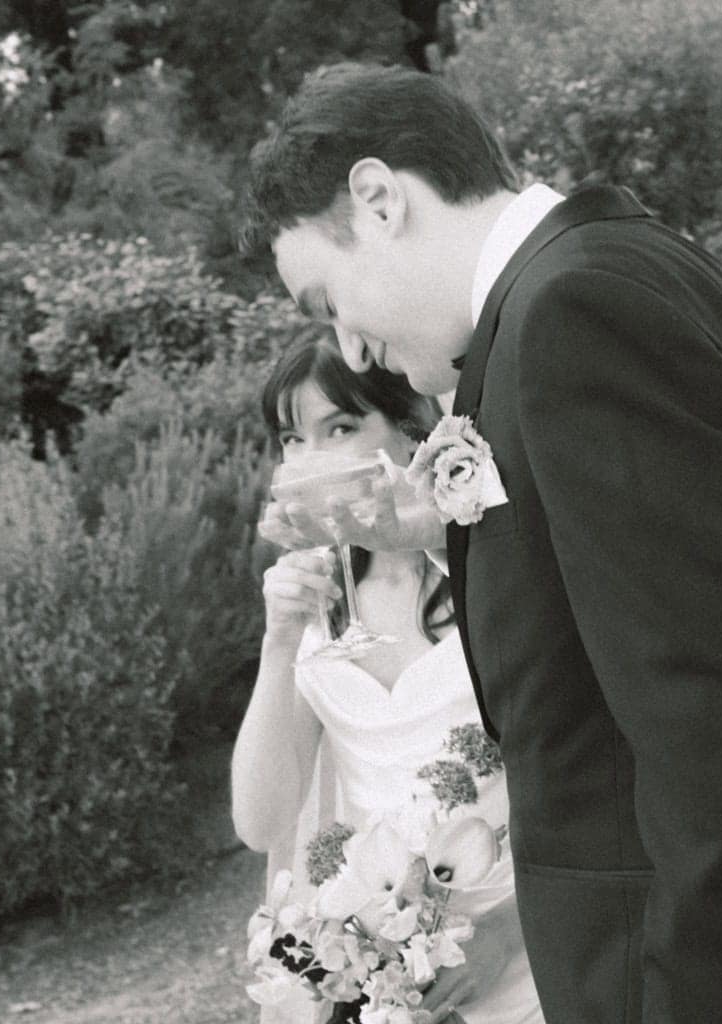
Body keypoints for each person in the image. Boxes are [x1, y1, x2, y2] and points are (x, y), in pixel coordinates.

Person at [239, 64, 722, 1023]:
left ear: (380, 199)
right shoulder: (594, 279)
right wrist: (438, 532)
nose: (349, 348)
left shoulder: (573, 313)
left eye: (327, 300)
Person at [231, 334, 545, 1024]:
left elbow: (594, 784)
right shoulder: (317, 610)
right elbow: (261, 824)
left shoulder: (493, 577)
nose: (311, 460)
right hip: (401, 977)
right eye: (292, 439)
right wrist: (278, 645)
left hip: (536, 946)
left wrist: (509, 932)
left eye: (340, 428)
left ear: (409, 431)